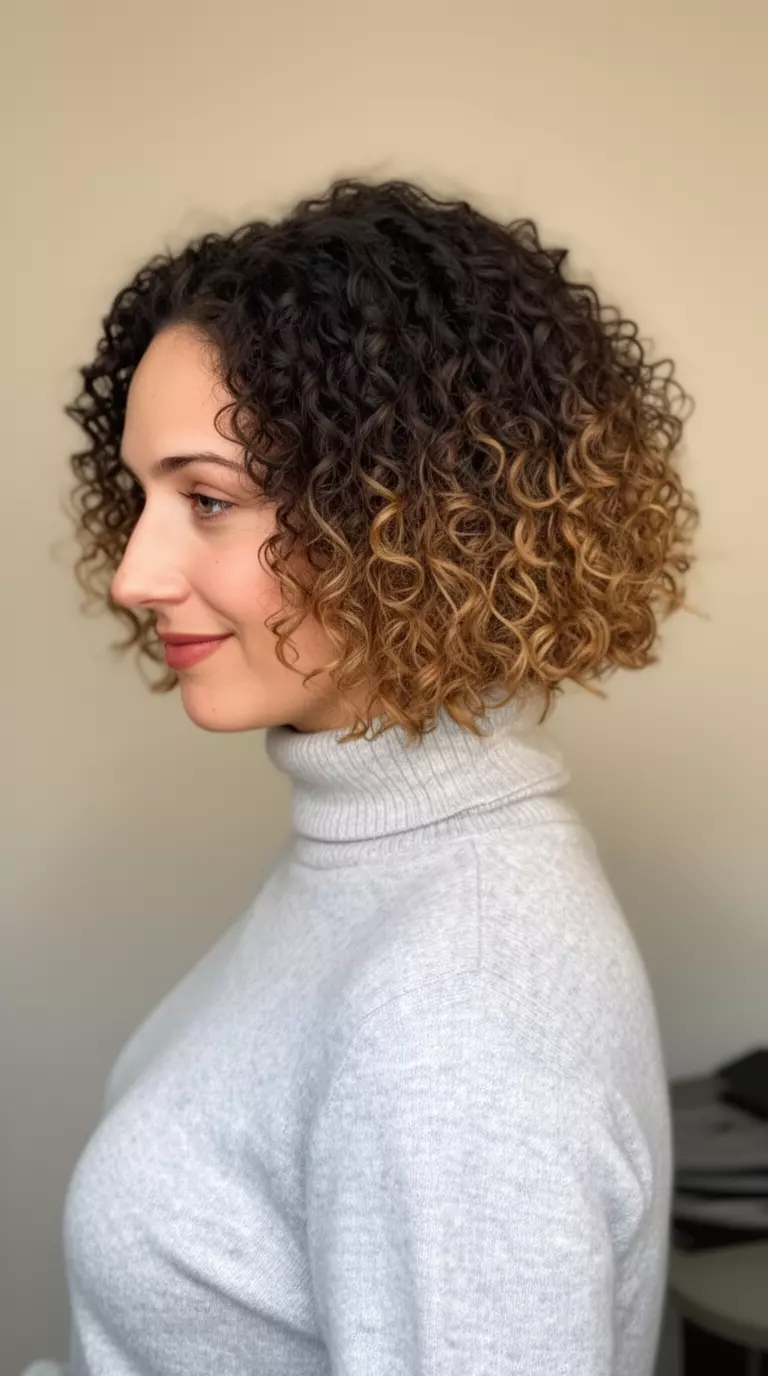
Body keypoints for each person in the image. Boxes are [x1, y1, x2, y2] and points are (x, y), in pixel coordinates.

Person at [25, 178, 696, 1376]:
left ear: (416, 512)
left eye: (209, 500)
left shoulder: (459, 1013)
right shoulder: (378, 862)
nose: (134, 572)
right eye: (140, 496)